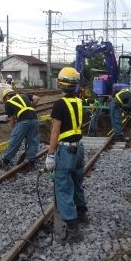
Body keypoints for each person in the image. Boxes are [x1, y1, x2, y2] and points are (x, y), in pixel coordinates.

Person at [44, 67, 88, 244]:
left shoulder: (60, 104)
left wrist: (51, 155)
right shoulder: (78, 101)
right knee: (77, 182)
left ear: (60, 83)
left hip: (66, 150)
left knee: (63, 187)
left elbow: (55, 132)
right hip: (79, 148)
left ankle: (72, 228)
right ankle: (82, 213)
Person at [0, 88, 40, 170]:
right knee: (33, 141)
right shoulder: (24, 95)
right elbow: (37, 98)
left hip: (23, 121)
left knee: (15, 141)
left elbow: (12, 121)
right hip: (34, 119)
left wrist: (14, 130)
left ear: (6, 96)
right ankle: (31, 162)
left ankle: (6, 161)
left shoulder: (8, 103)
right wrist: (32, 106)